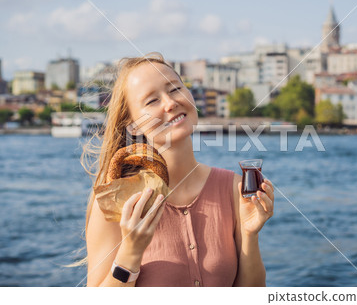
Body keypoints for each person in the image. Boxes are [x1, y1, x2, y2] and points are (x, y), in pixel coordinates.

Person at [84, 52, 275, 287]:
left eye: (175, 88)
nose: (171, 103)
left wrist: (249, 234)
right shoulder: (114, 201)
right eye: (152, 100)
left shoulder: (232, 188)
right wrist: (130, 252)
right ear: (132, 125)